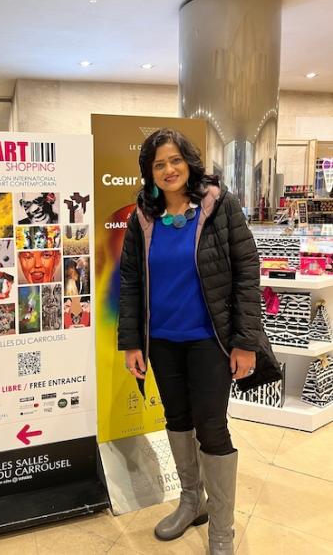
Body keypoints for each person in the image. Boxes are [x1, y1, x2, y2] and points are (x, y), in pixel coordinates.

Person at [118, 129, 280, 555]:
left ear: (189, 162)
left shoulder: (219, 206)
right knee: (176, 419)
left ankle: (222, 531)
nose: (168, 170)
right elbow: (131, 282)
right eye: (158, 164)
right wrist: (132, 342)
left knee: (212, 426)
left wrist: (245, 341)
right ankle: (192, 501)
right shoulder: (143, 216)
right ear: (149, 172)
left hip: (211, 340)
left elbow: (247, 274)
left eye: (175, 160)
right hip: (162, 341)